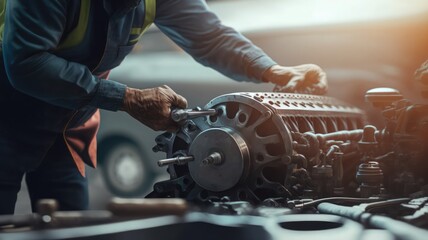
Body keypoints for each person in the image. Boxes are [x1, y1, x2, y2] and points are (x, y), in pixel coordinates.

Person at [0, 0, 327, 214]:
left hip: (68, 124)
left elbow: (210, 37)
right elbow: (28, 63)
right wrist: (126, 98)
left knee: (69, 225)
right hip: (5, 116)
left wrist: (272, 70)